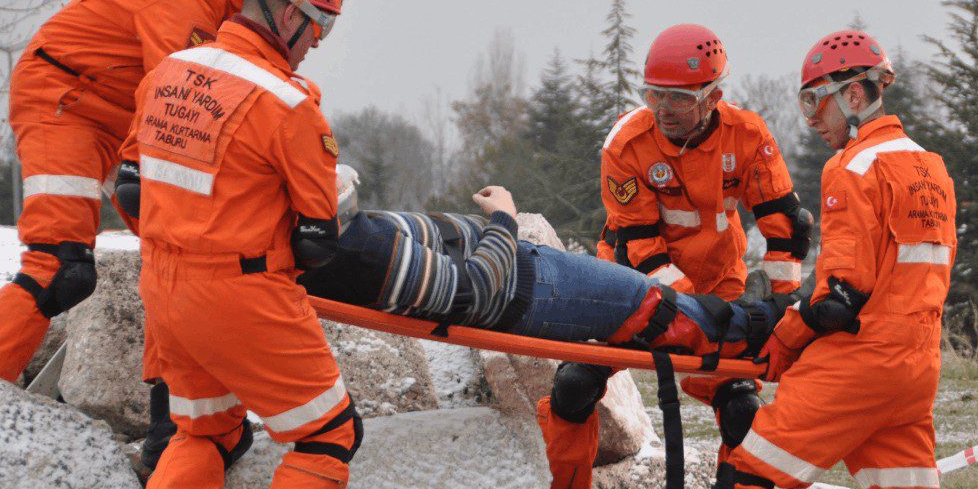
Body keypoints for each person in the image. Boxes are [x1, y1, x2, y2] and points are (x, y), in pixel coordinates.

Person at [0, 0, 357, 386]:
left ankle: (173, 431)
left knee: (183, 262)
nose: (313, 37)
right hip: (67, 100)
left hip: (124, 102)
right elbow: (182, 121)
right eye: (313, 16)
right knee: (60, 266)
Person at [119, 0, 353, 489]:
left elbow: (131, 188)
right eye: (320, 28)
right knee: (329, 433)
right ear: (288, 14)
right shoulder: (288, 101)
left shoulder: (170, 70)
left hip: (163, 288)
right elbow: (318, 239)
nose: (316, 46)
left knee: (206, 429)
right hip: (241, 290)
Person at [540, 23, 812, 489]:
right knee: (574, 384)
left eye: (679, 98)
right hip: (631, 284)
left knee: (740, 408)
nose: (663, 109)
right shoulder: (626, 145)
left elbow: (784, 227)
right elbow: (640, 247)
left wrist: (784, 308)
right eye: (653, 94)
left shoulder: (749, 136)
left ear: (712, 96)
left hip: (720, 283)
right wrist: (695, 316)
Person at [717, 30, 964, 489]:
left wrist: (784, 334)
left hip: (860, 363)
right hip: (915, 368)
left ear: (855, 95)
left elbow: (839, 300)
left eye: (815, 102)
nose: (811, 120)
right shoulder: (931, 169)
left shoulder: (851, 167)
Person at [299, 166, 791, 364]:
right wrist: (505, 220)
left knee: (648, 306)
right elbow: (473, 291)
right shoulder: (362, 254)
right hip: (529, 288)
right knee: (650, 306)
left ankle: (760, 326)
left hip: (530, 274)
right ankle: (775, 333)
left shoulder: (330, 248)